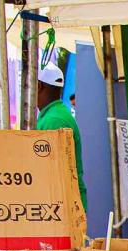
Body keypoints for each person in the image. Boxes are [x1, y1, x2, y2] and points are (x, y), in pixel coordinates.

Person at [36, 64, 87, 212]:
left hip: (62, 206)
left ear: (39, 86)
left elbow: (50, 172)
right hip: (61, 204)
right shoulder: (54, 115)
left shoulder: (54, 120)